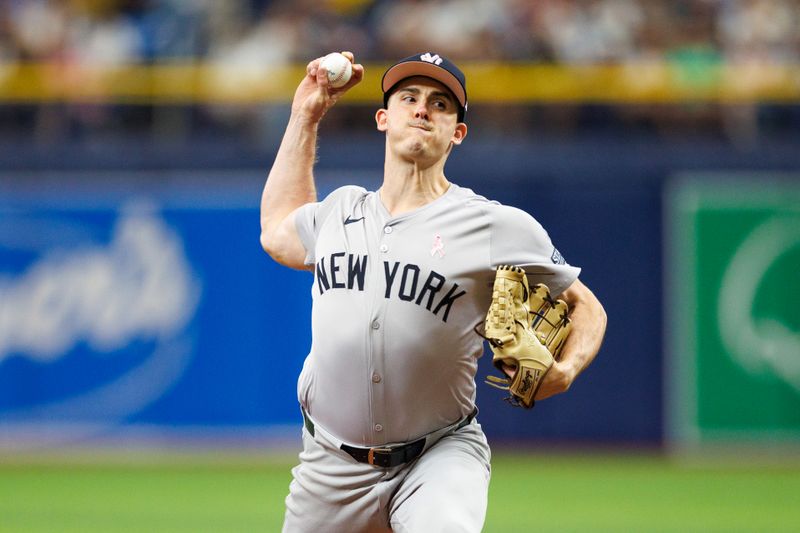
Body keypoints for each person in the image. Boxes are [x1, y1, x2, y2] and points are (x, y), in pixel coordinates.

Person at [260, 51, 607, 533]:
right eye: (409, 98)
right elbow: (277, 230)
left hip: (438, 457)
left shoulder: (494, 226)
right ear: (384, 118)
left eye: (441, 103)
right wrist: (305, 115)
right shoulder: (339, 211)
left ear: (457, 132)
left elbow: (586, 305)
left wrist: (566, 368)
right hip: (329, 467)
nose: (423, 109)